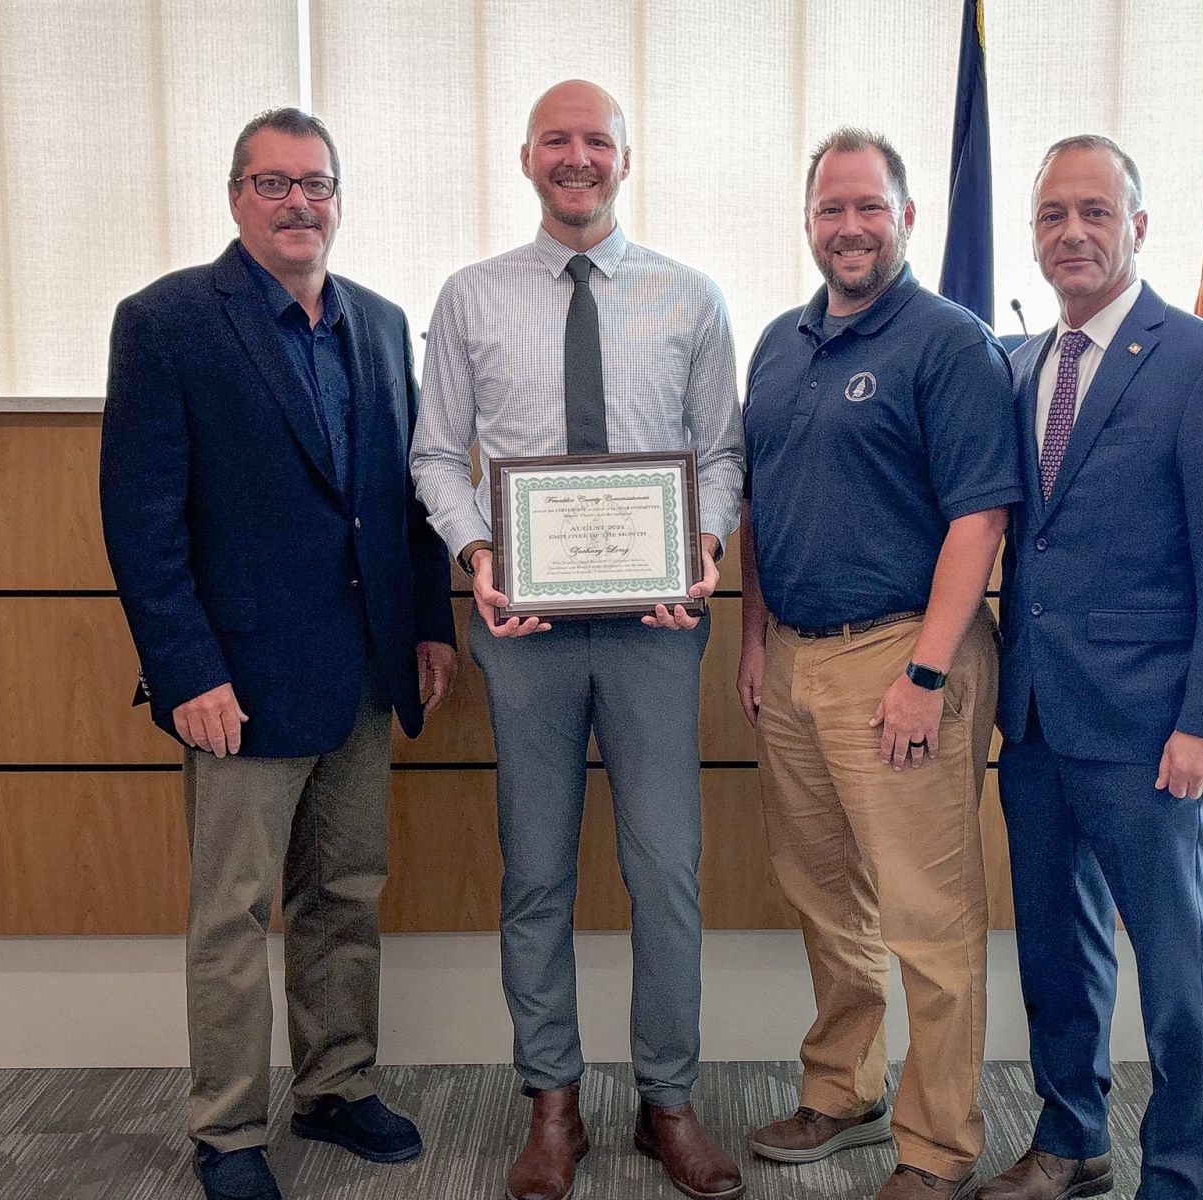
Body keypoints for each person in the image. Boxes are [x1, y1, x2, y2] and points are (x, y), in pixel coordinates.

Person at [99, 108, 457, 1200]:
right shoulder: (168, 323)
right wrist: (186, 669)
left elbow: (403, 495)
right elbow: (141, 518)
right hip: (237, 683)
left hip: (361, 669)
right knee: (233, 911)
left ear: (338, 198)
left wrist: (429, 622)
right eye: (273, 183)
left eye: (317, 183)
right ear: (235, 196)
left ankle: (336, 1084)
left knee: (345, 888)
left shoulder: (385, 324)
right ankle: (225, 1128)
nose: (299, 202)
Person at [409, 79, 745, 1200]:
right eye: (557, 139)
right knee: (536, 874)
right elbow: (434, 456)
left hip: (656, 634)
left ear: (624, 159)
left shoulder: (690, 299)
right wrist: (476, 558)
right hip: (524, 632)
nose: (576, 157)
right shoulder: (470, 298)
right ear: (525, 158)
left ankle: (666, 1103)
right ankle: (551, 1105)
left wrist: (700, 546)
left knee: (667, 872)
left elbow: (721, 456)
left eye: (594, 140)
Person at [975, 136, 1203, 1200]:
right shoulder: (1017, 367)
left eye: (1094, 212)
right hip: (1040, 722)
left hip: (1157, 731)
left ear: (1138, 227)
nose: (1071, 232)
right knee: (1057, 959)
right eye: (1052, 213)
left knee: (1176, 970)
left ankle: (1181, 1172)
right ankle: (1071, 1141)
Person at [736, 128, 1020, 1200]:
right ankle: (843, 1088)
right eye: (829, 209)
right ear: (806, 220)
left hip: (903, 660)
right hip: (795, 665)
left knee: (927, 917)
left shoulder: (946, 344)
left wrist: (927, 675)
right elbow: (761, 506)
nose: (848, 227)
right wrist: (756, 640)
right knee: (824, 898)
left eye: (869, 207)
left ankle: (938, 1146)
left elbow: (980, 516)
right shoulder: (778, 341)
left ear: (906, 217)